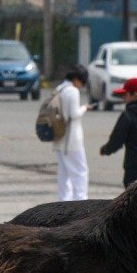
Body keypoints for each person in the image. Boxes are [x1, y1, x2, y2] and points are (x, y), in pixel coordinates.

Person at [100, 77, 137, 188]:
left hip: (134, 165)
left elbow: (117, 140)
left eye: (125, 95)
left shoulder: (128, 114)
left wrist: (106, 150)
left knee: (134, 199)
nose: (124, 98)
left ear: (135, 94)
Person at [54, 66, 92, 201]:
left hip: (58, 137)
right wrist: (84, 108)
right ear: (76, 79)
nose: (82, 86)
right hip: (71, 138)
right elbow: (74, 114)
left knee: (63, 173)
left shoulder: (59, 89)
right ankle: (81, 200)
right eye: (82, 82)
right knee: (80, 171)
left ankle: (64, 200)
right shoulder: (72, 91)